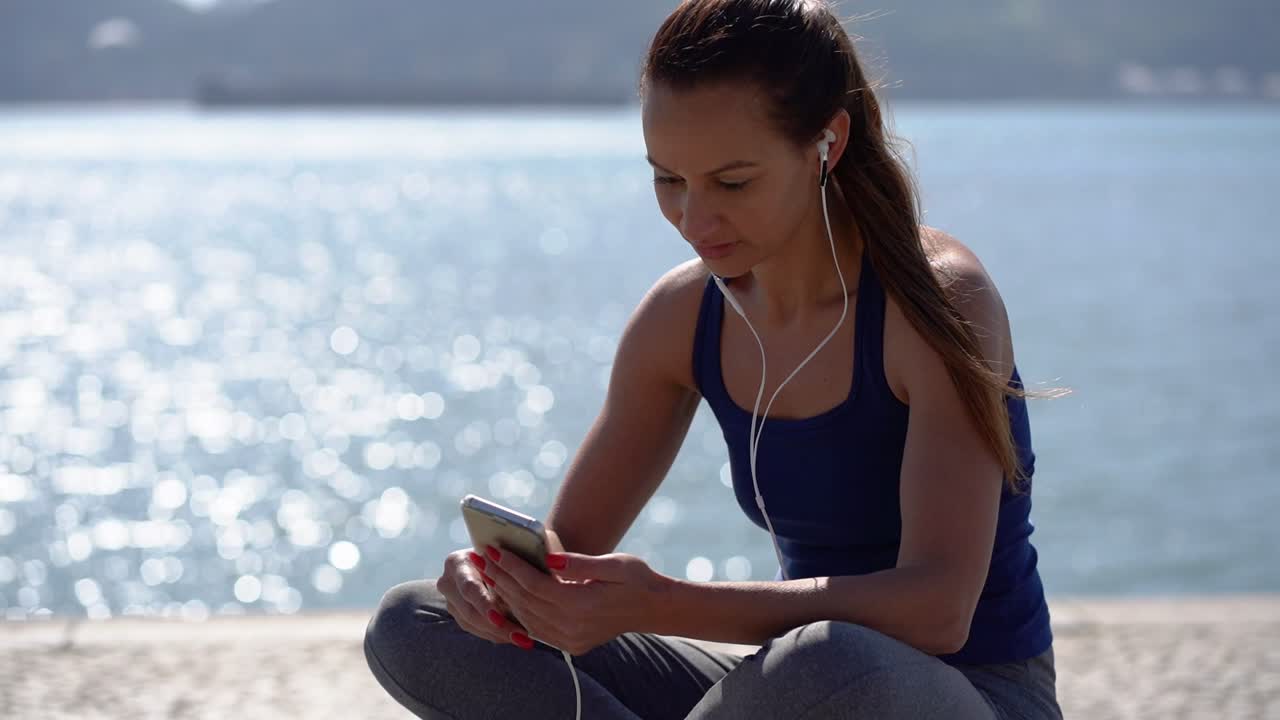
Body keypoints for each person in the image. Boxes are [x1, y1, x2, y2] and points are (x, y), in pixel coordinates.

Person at [363, 0, 1064, 717]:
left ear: (827, 144)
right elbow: (567, 555)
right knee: (418, 622)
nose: (694, 220)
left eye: (732, 183)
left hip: (969, 693)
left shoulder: (936, 301)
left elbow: (938, 610)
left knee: (827, 659)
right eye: (669, 179)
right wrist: (501, 586)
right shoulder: (683, 318)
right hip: (791, 689)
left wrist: (660, 601)